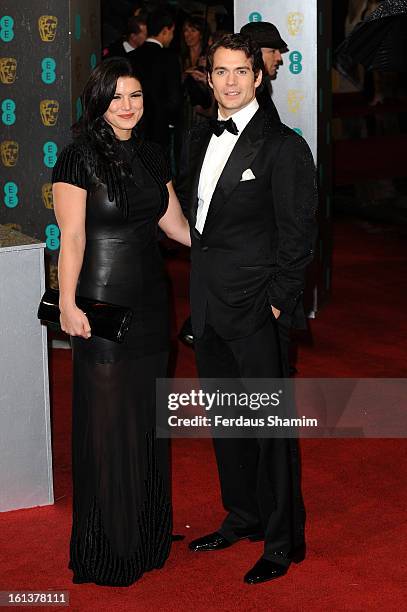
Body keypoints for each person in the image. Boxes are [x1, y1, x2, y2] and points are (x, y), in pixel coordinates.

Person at [176, 34, 317, 584]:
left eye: (241, 71)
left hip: (258, 310)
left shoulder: (284, 147)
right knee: (227, 423)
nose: (230, 81)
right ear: (207, 78)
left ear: (259, 78)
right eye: (220, 71)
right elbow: (198, 225)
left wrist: (279, 305)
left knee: (269, 429)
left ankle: (283, 542)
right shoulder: (196, 137)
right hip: (209, 306)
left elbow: (298, 234)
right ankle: (243, 517)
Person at [52, 57, 190, 586]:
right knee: (110, 425)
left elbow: (173, 223)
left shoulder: (154, 154)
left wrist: (225, 246)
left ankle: (146, 535)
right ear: (99, 102)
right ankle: (109, 549)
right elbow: (74, 239)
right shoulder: (77, 158)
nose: (128, 106)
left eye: (135, 96)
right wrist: (68, 303)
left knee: (146, 421)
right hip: (102, 302)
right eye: (117, 98)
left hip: (153, 302)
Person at [128, 9, 182, 154]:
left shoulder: (130, 57)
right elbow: (174, 100)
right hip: (160, 132)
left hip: (132, 129)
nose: (172, 36)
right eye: (172, 32)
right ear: (166, 30)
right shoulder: (169, 58)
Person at [240, 21, 288, 121]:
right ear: (255, 53)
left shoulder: (260, 84)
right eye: (273, 51)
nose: (279, 57)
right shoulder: (242, 90)